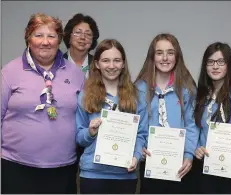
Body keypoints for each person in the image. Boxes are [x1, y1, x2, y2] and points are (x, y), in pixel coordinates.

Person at [1, 13, 85, 194]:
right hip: (15, 166)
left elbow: (84, 118)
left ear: (59, 40)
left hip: (63, 169)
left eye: (51, 36)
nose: (45, 42)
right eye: (38, 35)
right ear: (28, 38)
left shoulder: (76, 74)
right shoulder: (9, 72)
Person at [75, 39, 148, 194]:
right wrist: (90, 132)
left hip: (125, 175)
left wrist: (136, 157)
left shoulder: (137, 97)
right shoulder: (85, 96)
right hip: (92, 174)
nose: (112, 66)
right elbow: (79, 138)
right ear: (97, 64)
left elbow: (142, 134)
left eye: (117, 60)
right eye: (106, 60)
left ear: (123, 64)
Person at [134, 33, 199, 194]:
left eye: (170, 52)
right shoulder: (139, 88)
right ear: (152, 57)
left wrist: (189, 155)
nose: (165, 58)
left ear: (177, 56)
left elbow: (191, 124)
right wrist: (139, 147)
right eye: (159, 53)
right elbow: (135, 125)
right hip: (150, 162)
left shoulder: (187, 87)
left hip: (181, 164)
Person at [192, 42, 231, 194]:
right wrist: (196, 147)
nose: (215, 66)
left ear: (229, 65)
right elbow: (196, 128)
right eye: (210, 62)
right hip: (203, 165)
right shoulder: (200, 94)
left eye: (221, 62)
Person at [63, 13, 100, 78]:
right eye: (78, 32)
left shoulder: (99, 65)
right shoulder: (57, 63)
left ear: (92, 40)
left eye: (88, 34)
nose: (82, 37)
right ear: (69, 36)